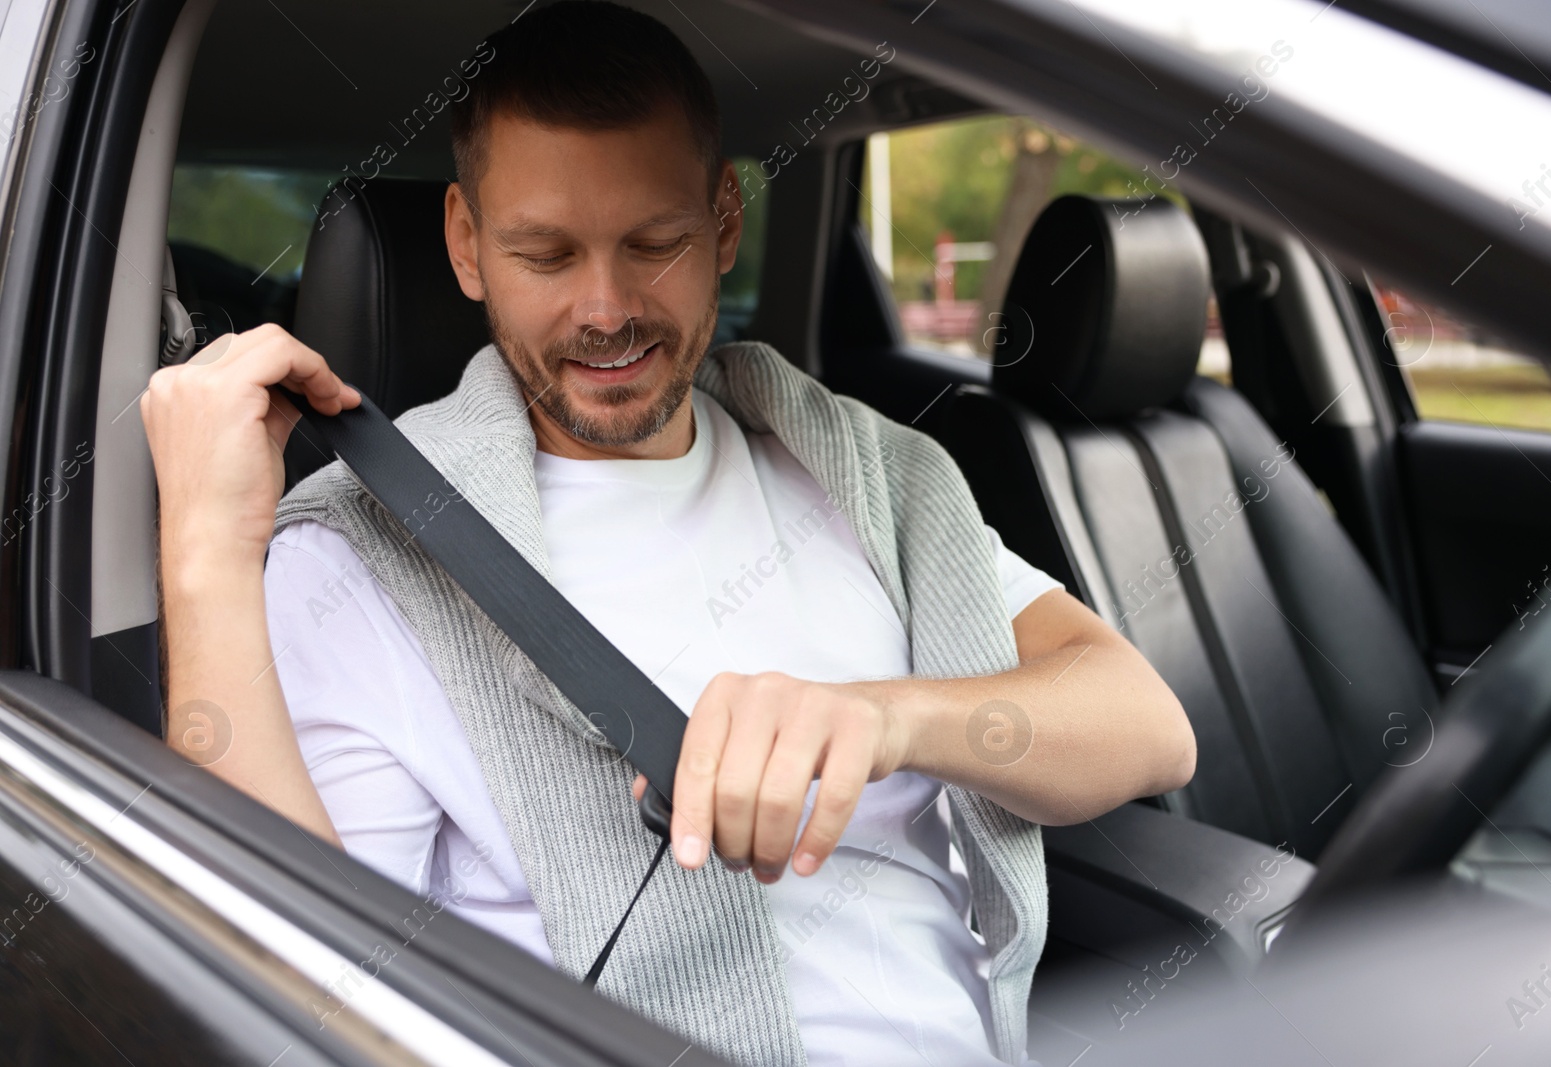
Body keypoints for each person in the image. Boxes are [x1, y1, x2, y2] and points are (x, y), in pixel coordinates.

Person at [142, 3, 1194, 1064]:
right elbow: (281, 991)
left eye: (654, 243)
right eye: (544, 254)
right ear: (465, 243)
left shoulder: (871, 474)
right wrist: (204, 552)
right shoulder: (357, 563)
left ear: (725, 222)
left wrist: (886, 720)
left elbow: (1146, 723)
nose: (605, 308)